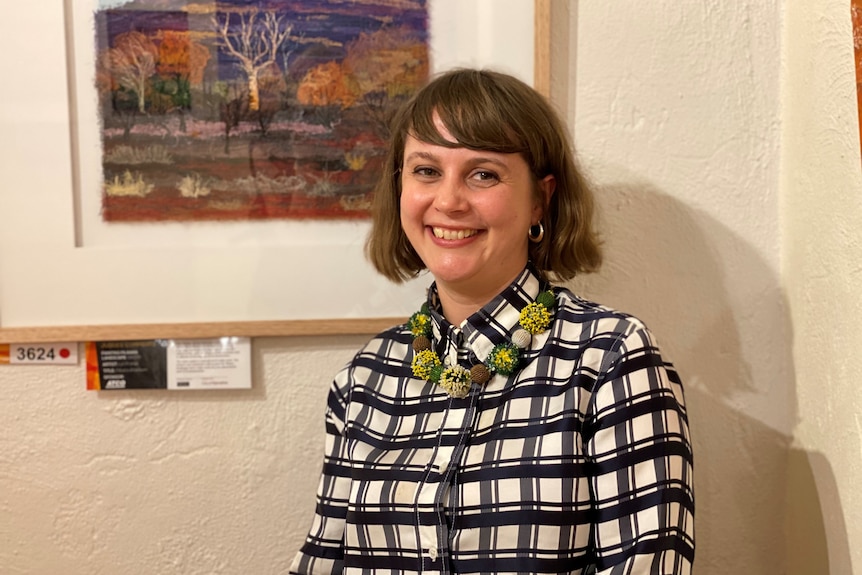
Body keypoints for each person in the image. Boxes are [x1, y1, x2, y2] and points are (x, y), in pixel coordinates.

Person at [290, 68, 694, 575]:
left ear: (539, 200)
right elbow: (323, 561)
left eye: (483, 174)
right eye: (426, 171)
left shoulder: (612, 357)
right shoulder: (364, 379)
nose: (449, 201)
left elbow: (648, 566)